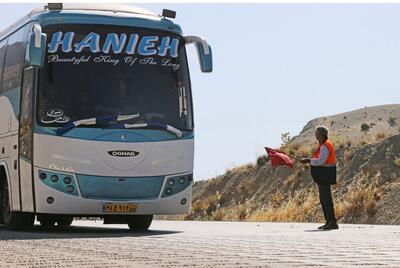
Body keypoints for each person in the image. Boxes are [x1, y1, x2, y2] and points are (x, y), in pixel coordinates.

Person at [300, 126, 338, 230]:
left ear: (321, 135)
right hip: (324, 175)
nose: (315, 135)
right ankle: (328, 222)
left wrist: (308, 160)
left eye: (317, 133)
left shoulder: (325, 146)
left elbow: (321, 161)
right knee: (324, 198)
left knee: (326, 199)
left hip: (325, 175)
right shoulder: (323, 145)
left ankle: (332, 222)